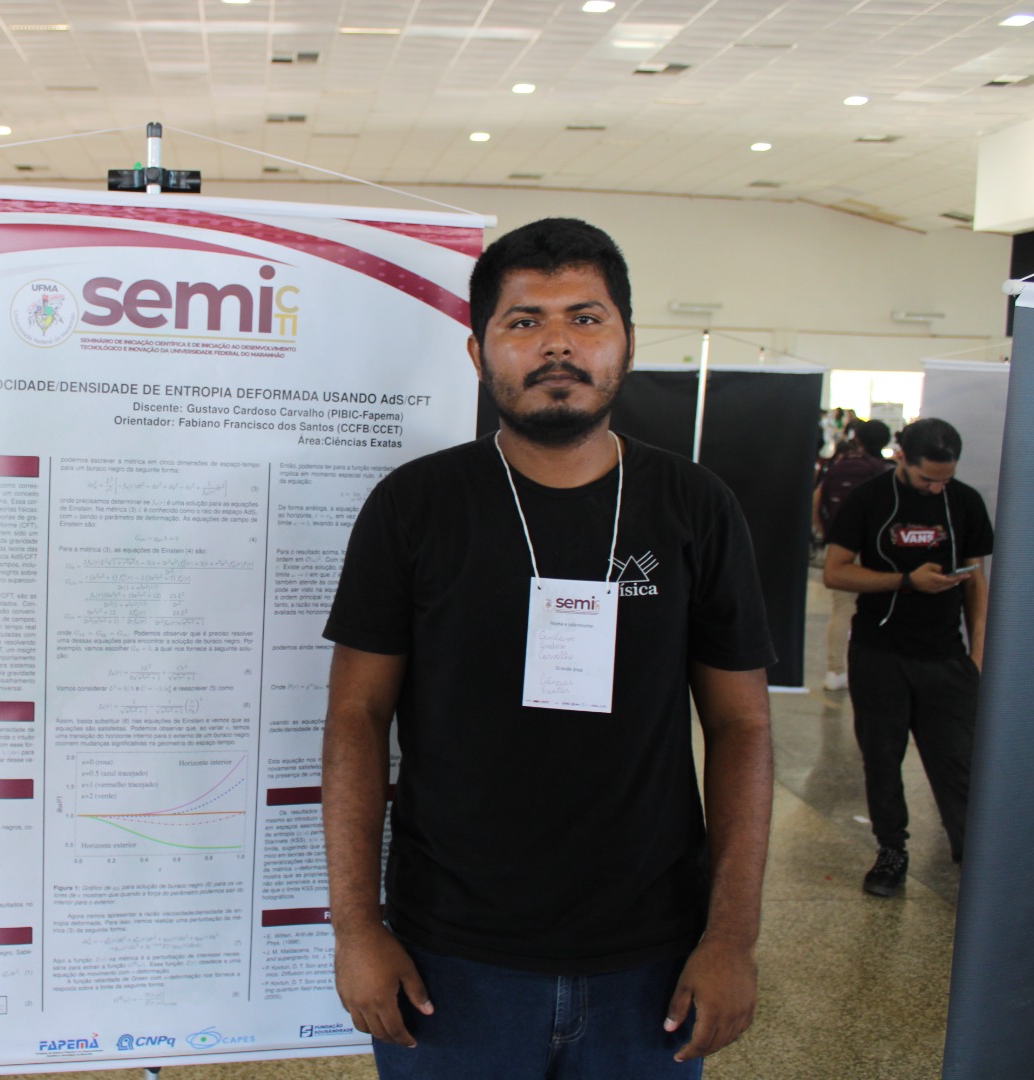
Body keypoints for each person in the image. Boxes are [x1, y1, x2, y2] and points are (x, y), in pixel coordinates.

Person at [322, 217, 776, 1079]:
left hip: (654, 960)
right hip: (450, 961)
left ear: (627, 343)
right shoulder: (414, 507)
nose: (558, 345)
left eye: (586, 318)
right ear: (478, 350)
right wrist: (356, 928)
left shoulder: (695, 507)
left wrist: (731, 937)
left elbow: (742, 726)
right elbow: (355, 716)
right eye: (524, 321)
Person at [822, 417, 991, 897]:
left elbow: (976, 581)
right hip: (879, 652)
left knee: (958, 761)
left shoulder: (965, 502)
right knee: (881, 758)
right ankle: (891, 850)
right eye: (926, 479)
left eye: (945, 479)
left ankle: (971, 852)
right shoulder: (869, 499)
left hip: (945, 657)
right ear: (901, 458)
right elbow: (835, 572)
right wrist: (906, 581)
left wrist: (978, 653)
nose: (936, 488)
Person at [811, 419, 892, 691]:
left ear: (858, 440)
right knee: (882, 608)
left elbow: (817, 503)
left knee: (842, 609)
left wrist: (830, 536)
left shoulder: (840, 467)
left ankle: (835, 671)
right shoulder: (886, 471)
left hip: (840, 548)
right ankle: (876, 670)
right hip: (878, 552)